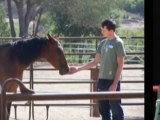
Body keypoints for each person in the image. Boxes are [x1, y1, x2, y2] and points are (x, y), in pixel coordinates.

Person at [68, 19, 126, 120]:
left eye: (103, 30)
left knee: (116, 110)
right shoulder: (103, 43)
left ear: (111, 30)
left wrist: (115, 84)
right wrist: (78, 69)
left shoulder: (118, 43)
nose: (102, 32)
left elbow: (120, 64)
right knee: (103, 110)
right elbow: (95, 62)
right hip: (102, 80)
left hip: (112, 81)